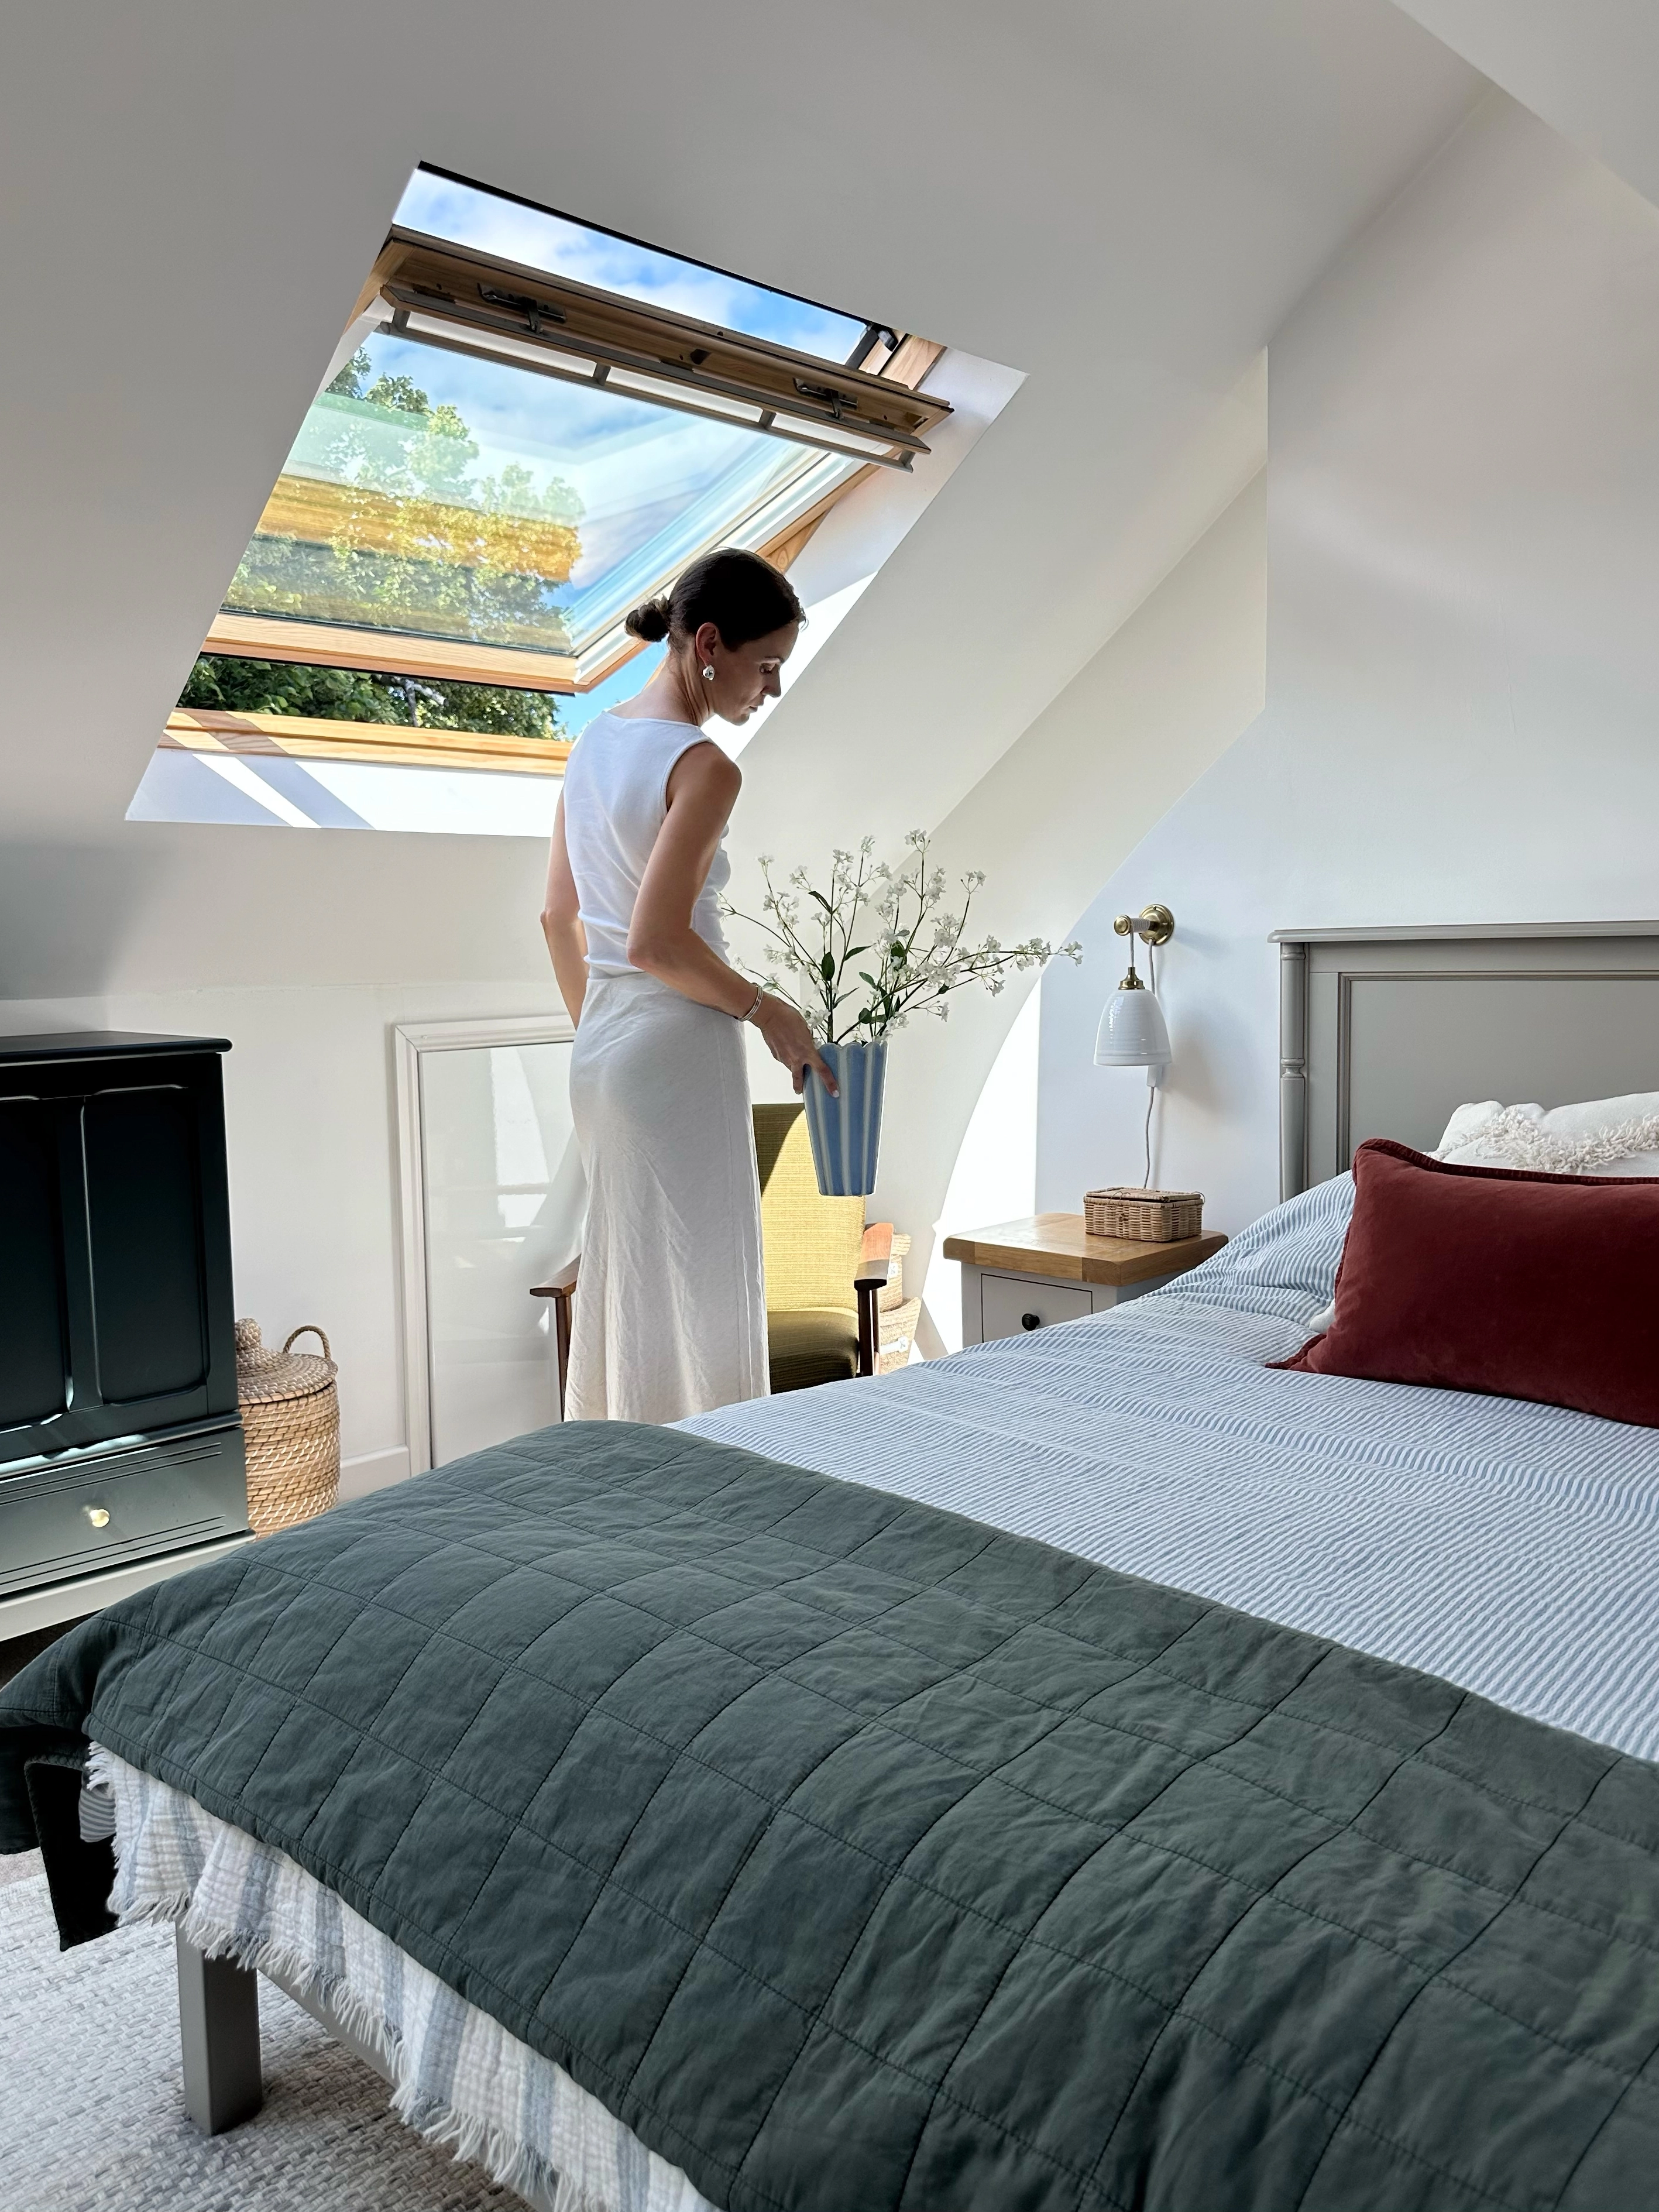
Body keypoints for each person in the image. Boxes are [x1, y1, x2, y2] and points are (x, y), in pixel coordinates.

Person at [541, 547, 834, 1423]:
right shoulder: (703, 766)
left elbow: (558, 919)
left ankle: (626, 1491)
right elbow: (659, 941)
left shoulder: (592, 742)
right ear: (708, 643)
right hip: (674, 1052)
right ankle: (713, 1493)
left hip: (602, 1055)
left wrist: (604, 1033)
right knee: (700, 1290)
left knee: (630, 1291)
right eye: (766, 665)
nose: (771, 690)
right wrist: (769, 1010)